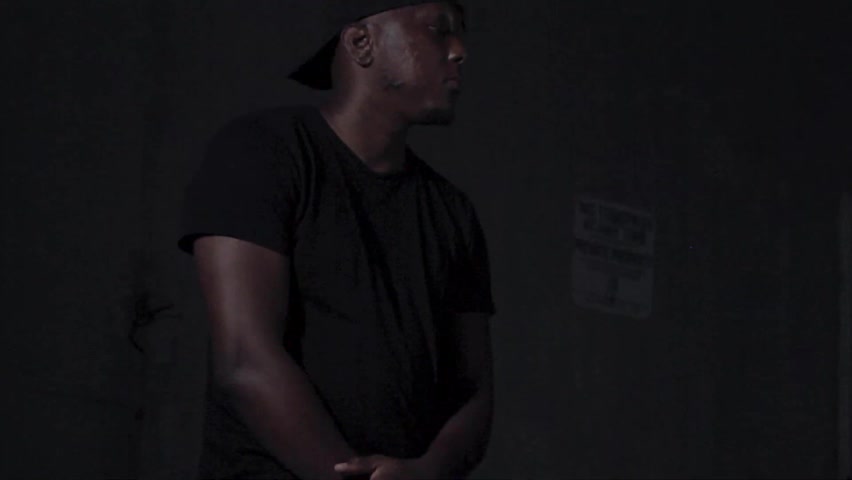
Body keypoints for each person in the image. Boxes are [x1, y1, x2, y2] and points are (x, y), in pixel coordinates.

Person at [178, 1, 496, 478]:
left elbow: (473, 391)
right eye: (439, 29)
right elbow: (244, 359)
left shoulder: (452, 213)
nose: (459, 50)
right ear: (361, 43)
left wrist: (427, 472)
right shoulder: (261, 153)